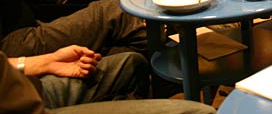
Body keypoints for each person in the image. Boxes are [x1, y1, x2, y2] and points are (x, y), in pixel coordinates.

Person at [0, 0, 151, 108]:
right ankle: (171, 70)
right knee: (115, 12)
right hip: (15, 45)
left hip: (28, 17)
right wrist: (45, 62)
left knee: (131, 60)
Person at [0, 50, 217, 114]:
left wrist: (44, 62)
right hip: (30, 108)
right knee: (198, 112)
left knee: (131, 64)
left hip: (28, 84)